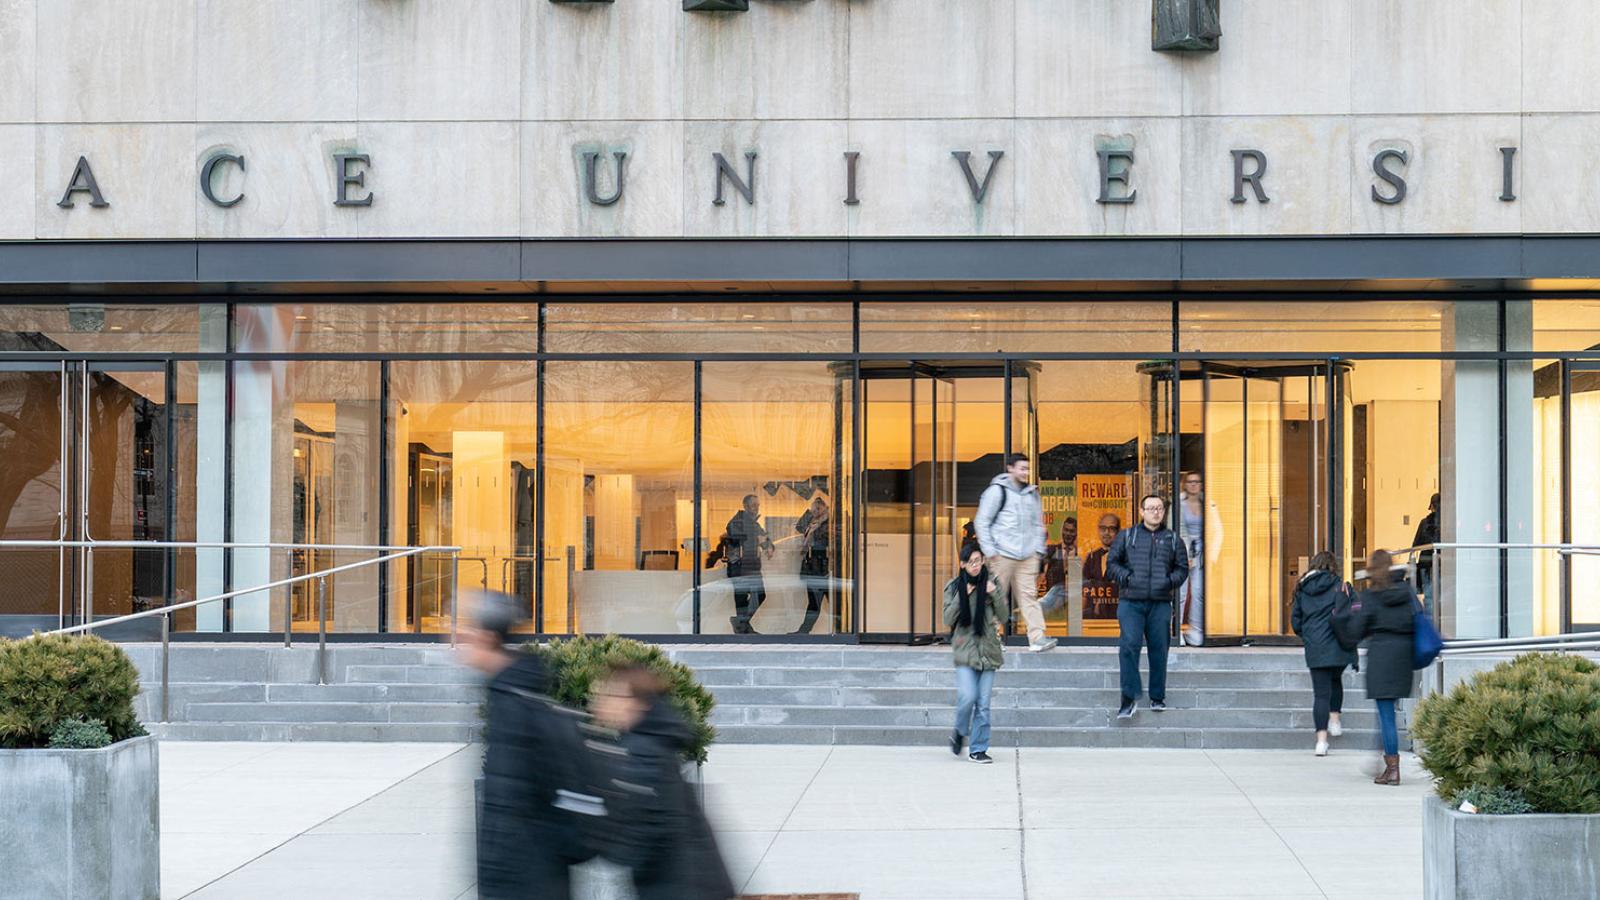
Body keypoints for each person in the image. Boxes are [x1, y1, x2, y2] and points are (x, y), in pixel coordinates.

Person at [461, 592, 601, 900]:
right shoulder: (508, 696)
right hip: (526, 876)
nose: (459, 638)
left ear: (486, 637)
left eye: (465, 629)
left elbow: (519, 807)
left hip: (526, 880)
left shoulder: (517, 707)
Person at [589, 663, 735, 900]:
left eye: (613, 694)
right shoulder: (648, 741)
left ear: (639, 702)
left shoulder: (642, 751)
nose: (602, 701)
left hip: (680, 886)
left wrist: (600, 852)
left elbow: (647, 826)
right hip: (686, 883)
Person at [1108, 494, 1189, 719]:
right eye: (1151, 508)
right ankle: (1128, 698)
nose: (1156, 512)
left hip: (1161, 603)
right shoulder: (1127, 536)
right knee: (1128, 646)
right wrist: (1128, 578)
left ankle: (1157, 697)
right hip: (1131, 602)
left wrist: (1168, 582)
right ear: (1141, 511)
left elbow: (1182, 569)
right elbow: (1112, 564)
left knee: (1159, 650)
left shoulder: (1173, 540)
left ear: (1164, 512)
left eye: (1160, 509)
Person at [974, 454, 1055, 652]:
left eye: (1027, 469)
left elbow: (1038, 524)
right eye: (1021, 468)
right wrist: (990, 550)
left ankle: (1037, 638)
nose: (1025, 472)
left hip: (1027, 556)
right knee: (996, 597)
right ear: (1010, 468)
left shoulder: (1032, 494)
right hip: (1001, 554)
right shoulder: (996, 492)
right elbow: (981, 521)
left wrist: (1037, 551)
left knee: (1029, 597)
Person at [944, 542, 1010, 764]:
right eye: (971, 562)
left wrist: (994, 593)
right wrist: (964, 594)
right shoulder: (953, 587)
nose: (975, 566)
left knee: (983, 703)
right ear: (962, 564)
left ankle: (978, 748)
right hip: (965, 650)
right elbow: (947, 619)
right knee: (968, 697)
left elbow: (1003, 615)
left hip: (988, 650)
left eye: (979, 561)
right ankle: (960, 730)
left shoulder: (992, 583)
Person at [1357, 549, 1417, 786]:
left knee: (1386, 715)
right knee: (1386, 713)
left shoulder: (1372, 595)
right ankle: (1382, 761)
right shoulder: (1407, 592)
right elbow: (1416, 619)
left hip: (1381, 657)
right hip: (1402, 657)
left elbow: (1359, 627)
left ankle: (1392, 769)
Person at [1290, 551, 1358, 757]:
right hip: (1338, 643)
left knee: (1321, 694)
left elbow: (1296, 622)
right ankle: (1335, 719)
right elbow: (1355, 610)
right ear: (1332, 566)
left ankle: (1321, 742)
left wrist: (1309, 636)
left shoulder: (1302, 589)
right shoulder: (1340, 585)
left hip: (1315, 646)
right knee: (1335, 680)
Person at [1177, 471, 1222, 647]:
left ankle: (1195, 629)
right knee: (1180, 593)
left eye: (1197, 481)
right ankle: (1176, 631)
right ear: (1185, 484)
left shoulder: (1209, 504)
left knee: (1198, 592)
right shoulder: (1179, 504)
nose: (1194, 485)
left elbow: (1217, 530)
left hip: (1202, 555)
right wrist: (1182, 553)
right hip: (1183, 553)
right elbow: (1175, 529)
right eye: (1190, 481)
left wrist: (1212, 556)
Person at [724, 493, 774, 634]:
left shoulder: (754, 523)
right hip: (740, 567)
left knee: (760, 594)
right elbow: (733, 536)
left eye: (758, 505)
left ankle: (742, 623)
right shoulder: (737, 521)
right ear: (745, 506)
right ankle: (743, 628)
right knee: (742, 600)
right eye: (753, 505)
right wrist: (756, 536)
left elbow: (765, 539)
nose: (756, 508)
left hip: (752, 566)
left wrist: (769, 546)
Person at [793, 496, 830, 635]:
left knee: (829, 603)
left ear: (825, 508)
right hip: (814, 569)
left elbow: (822, 542)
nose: (815, 512)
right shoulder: (812, 523)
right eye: (814, 509)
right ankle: (804, 631)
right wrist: (810, 512)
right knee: (815, 602)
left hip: (823, 569)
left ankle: (844, 630)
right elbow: (799, 526)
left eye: (818, 509)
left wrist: (822, 519)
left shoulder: (828, 525)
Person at [1411, 493, 1440, 620]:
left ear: (1432, 506)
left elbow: (1415, 544)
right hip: (1442, 565)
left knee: (1429, 598)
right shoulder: (1448, 523)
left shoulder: (1425, 523)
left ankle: (1431, 625)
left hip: (1426, 565)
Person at [1083, 513, 1120, 582]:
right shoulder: (1091, 557)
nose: (1106, 532)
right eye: (1103, 528)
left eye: (1111, 529)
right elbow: (1084, 584)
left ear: (1118, 531)